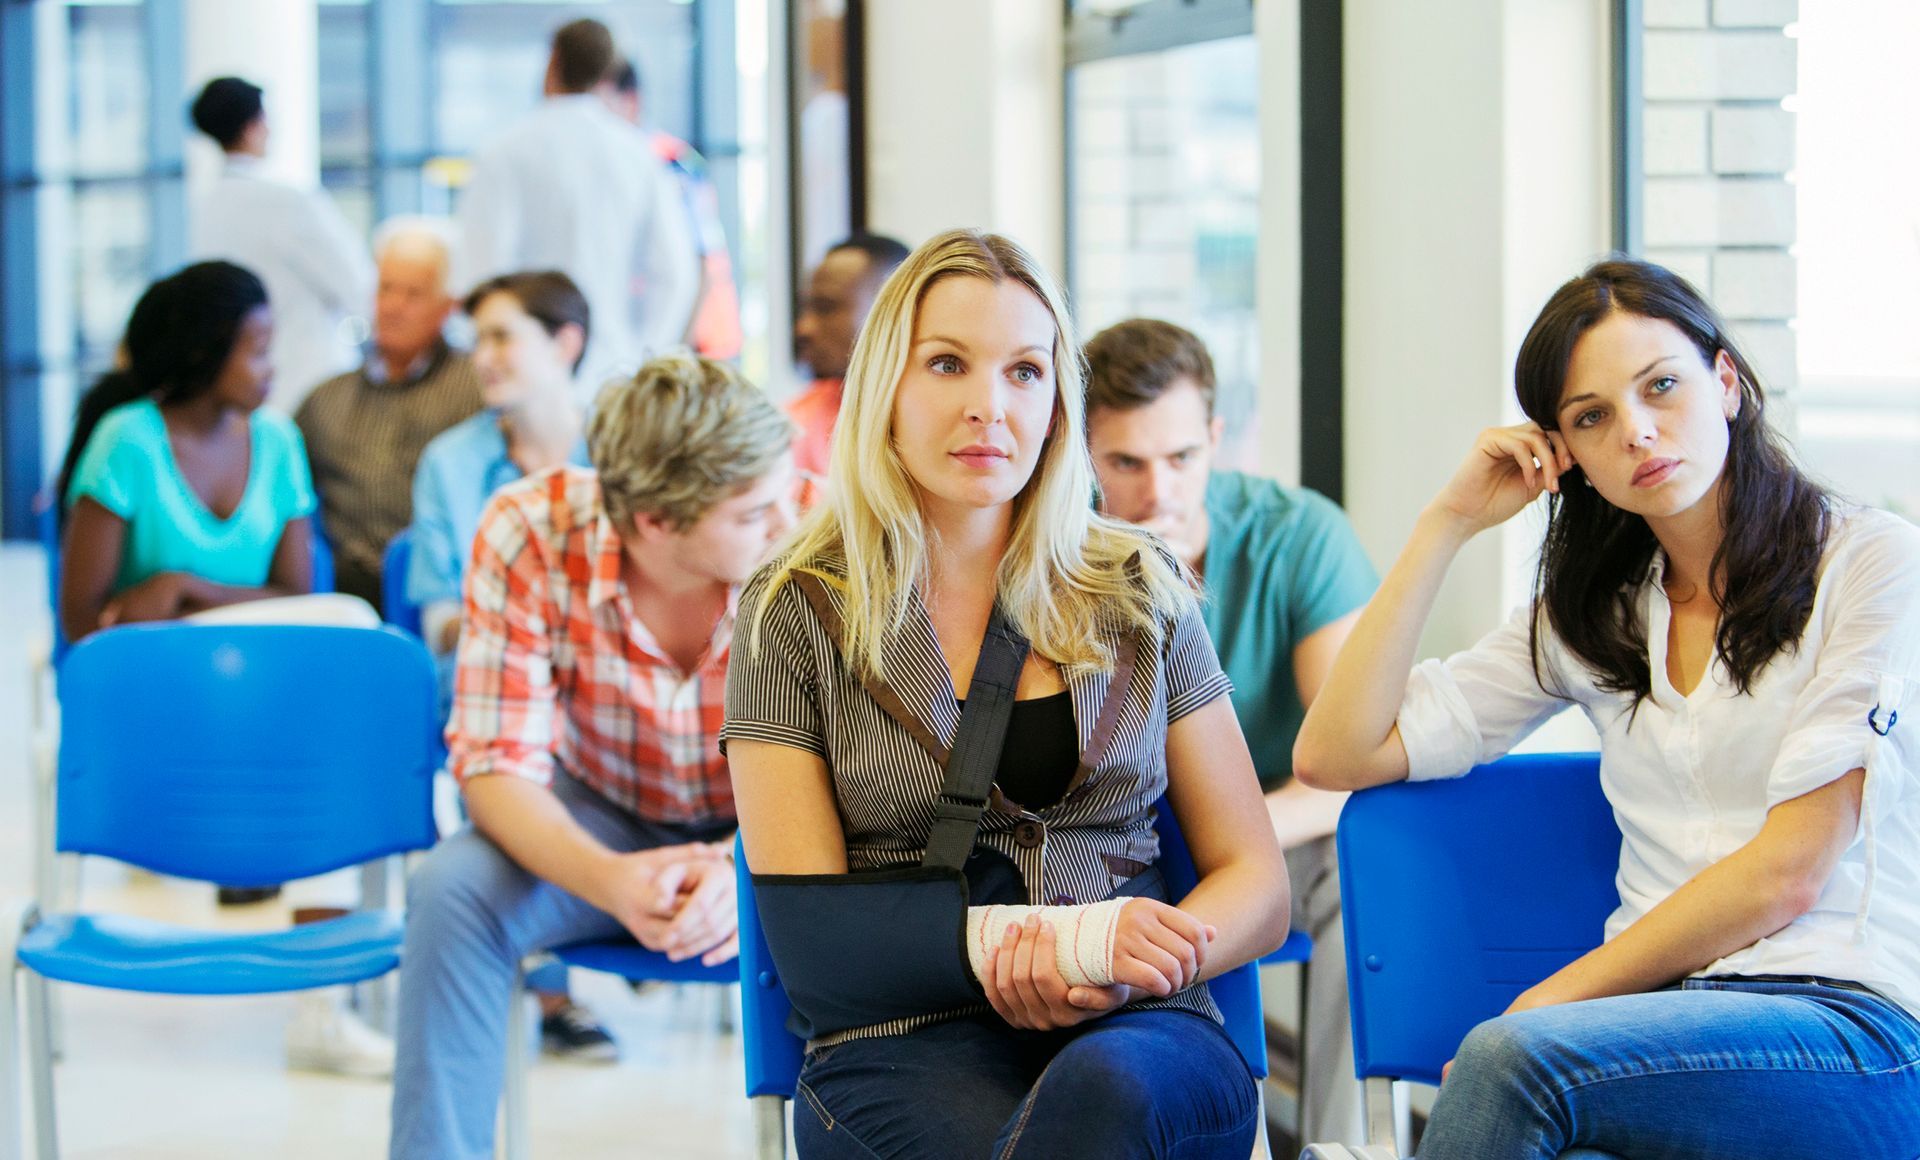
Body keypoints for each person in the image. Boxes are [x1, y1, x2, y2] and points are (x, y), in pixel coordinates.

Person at [1293, 258, 1920, 1159]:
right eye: (1593, 417)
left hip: (1846, 1033)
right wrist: (1448, 525)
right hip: (1650, 1042)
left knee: (1515, 1062)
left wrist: (1549, 1005)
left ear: (1728, 381)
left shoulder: (1870, 563)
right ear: (1566, 452)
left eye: (1661, 386)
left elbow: (1790, 872)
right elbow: (1338, 754)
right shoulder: (1598, 614)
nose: (1637, 432)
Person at [723, 229, 1290, 1160]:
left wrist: (1122, 965)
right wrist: (1043, 945)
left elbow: (1257, 887)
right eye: (947, 363)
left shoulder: (1139, 587)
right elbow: (814, 947)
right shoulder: (795, 608)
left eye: (1026, 371)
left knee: (1103, 1093)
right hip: (901, 1039)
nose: (990, 406)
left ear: (1060, 401)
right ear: (885, 392)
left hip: (1142, 1031)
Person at [388, 353, 795, 1159]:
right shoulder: (528, 529)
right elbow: (493, 763)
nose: (787, 525)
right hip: (597, 812)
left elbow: (854, 778)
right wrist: (609, 879)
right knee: (451, 889)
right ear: (655, 522)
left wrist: (737, 866)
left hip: (776, 820)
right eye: (754, 514)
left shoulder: (817, 532)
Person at [56, 260, 389, 1074]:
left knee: (341, 682)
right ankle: (322, 994)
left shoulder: (275, 442)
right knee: (327, 737)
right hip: (155, 712)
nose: (272, 371)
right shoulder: (126, 441)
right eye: (258, 350)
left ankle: (322, 1005)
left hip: (263, 698)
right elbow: (85, 624)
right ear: (208, 352)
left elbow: (299, 597)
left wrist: (182, 587)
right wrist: (207, 606)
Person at [1083, 318, 1377, 1145]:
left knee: (1368, 872)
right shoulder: (1058, 559)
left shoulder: (1298, 536)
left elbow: (1350, 764)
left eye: (1182, 459)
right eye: (1126, 464)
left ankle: (1339, 1142)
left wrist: (1241, 844)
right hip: (1114, 848)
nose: (1159, 493)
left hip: (1276, 833)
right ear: (1082, 456)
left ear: (1215, 438)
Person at [454, 19, 698, 395]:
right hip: (615, 368)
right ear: (607, 72)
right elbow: (676, 274)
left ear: (553, 63)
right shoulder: (636, 153)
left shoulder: (505, 151)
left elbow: (480, 273)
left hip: (525, 369)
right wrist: (645, 354)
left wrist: (494, 348)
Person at [296, 217, 482, 610]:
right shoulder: (326, 399)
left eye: (413, 294)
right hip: (347, 597)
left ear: (447, 307)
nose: (393, 307)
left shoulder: (477, 389)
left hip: (450, 590)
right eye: (385, 289)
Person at [187, 77, 374, 412]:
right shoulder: (287, 202)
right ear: (252, 127)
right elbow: (356, 283)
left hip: (243, 390)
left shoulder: (205, 207)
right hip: (310, 383)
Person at [604, 56, 743, 362]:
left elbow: (703, 262)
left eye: (602, 107)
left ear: (630, 102)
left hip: (699, 345)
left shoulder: (669, 162)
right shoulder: (626, 163)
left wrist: (670, 359)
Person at [787, 233, 911, 482]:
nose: (804, 328)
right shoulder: (793, 426)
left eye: (826, 307)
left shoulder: (945, 418)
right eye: (807, 307)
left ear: (890, 311)